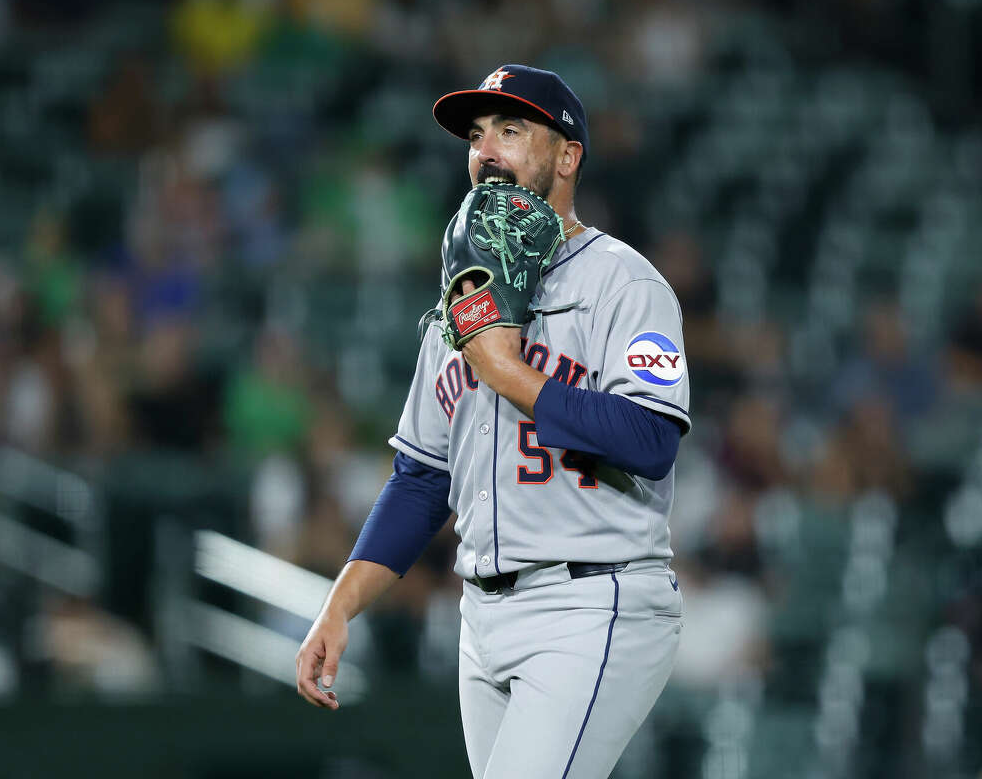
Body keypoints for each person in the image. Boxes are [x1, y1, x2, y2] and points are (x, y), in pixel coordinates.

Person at [295, 65, 690, 778]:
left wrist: (508, 372)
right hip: (480, 618)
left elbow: (651, 440)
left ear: (567, 156)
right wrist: (340, 607)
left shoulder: (623, 284)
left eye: (512, 130)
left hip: (592, 602)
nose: (487, 150)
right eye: (477, 136)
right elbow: (419, 480)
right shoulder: (461, 298)